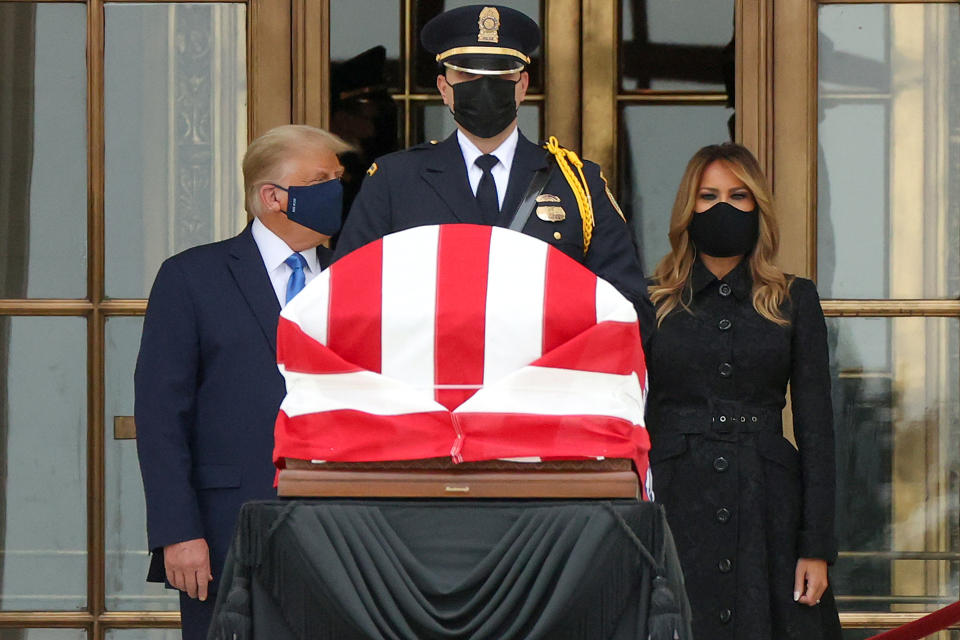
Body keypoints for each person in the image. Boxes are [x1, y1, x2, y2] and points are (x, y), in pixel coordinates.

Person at [134, 124, 350, 639]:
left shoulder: (356, 276)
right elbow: (162, 416)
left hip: (345, 528)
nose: (336, 192)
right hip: (226, 527)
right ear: (272, 197)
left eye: (338, 179)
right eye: (321, 179)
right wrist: (178, 533)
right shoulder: (191, 277)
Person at [333, 4, 654, 341]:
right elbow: (345, 302)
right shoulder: (394, 180)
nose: (484, 87)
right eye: (468, 76)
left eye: (500, 77)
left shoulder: (578, 184)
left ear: (522, 84)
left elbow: (629, 310)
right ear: (444, 87)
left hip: (542, 385)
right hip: (428, 386)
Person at [644, 143, 842, 639]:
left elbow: (818, 429)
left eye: (738, 195)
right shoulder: (652, 301)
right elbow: (632, 415)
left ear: (758, 207)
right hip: (674, 501)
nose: (722, 207)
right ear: (688, 209)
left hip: (769, 508)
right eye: (708, 196)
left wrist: (815, 547)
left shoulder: (794, 299)